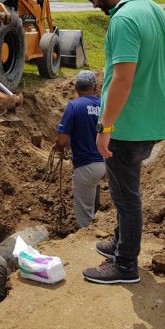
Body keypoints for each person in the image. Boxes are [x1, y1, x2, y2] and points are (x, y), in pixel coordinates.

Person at [78, 0, 165, 285]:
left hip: (126, 126)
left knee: (126, 198)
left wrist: (105, 127)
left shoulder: (124, 19)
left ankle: (125, 265)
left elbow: (122, 79)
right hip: (149, 120)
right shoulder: (154, 10)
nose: (93, 4)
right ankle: (120, 242)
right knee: (125, 193)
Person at [54, 70, 106, 227]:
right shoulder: (104, 105)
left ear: (76, 88)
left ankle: (85, 240)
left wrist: (58, 146)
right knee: (94, 194)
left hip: (85, 166)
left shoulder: (74, 106)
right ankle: (98, 221)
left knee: (84, 217)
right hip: (105, 163)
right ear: (95, 87)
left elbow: (62, 140)